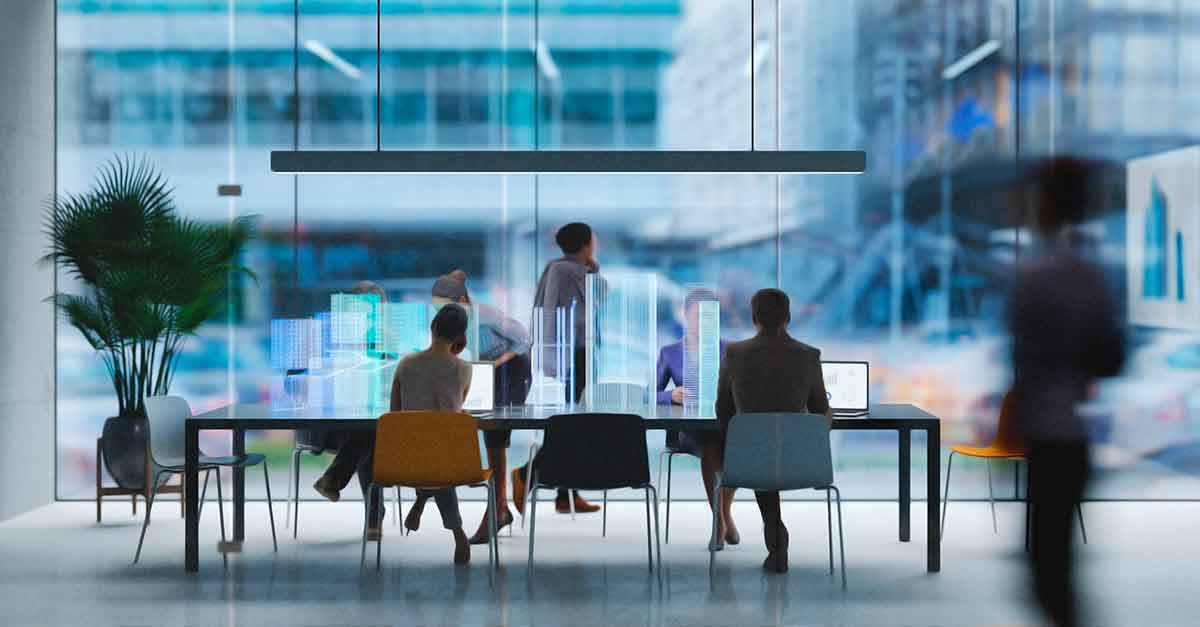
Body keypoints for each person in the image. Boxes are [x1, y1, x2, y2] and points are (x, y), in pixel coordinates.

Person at [1008, 157, 1125, 627]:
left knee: (1049, 578)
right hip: (1069, 434)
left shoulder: (1040, 275)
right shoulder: (1089, 274)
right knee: (1055, 573)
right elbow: (1111, 357)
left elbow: (1024, 361)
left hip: (1048, 435)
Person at [714, 288, 831, 573]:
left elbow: (723, 411)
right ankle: (776, 536)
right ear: (788, 318)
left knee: (760, 448)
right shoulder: (809, 355)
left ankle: (775, 535)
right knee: (773, 445)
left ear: (754, 318)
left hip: (748, 461)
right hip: (800, 461)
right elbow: (819, 411)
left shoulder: (734, 354)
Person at [428, 269, 531, 544]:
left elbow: (523, 339)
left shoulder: (485, 315)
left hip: (511, 371)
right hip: (486, 373)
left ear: (462, 299)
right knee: (489, 438)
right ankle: (499, 509)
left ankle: (496, 511)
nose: (441, 314)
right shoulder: (458, 320)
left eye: (445, 307)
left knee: (495, 438)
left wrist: (495, 364)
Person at [512, 222, 602, 516]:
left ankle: (567, 494)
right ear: (586, 242)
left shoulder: (577, 269)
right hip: (571, 356)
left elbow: (597, 298)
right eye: (593, 239)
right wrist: (549, 357)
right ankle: (526, 474)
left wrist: (593, 268)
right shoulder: (563, 270)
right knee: (569, 426)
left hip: (580, 353)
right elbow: (550, 311)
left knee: (575, 425)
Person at [656, 288, 739, 548]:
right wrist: (672, 396)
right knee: (713, 444)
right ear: (685, 314)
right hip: (689, 430)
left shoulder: (732, 350)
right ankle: (720, 519)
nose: (703, 322)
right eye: (697, 315)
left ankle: (723, 516)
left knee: (728, 443)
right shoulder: (670, 352)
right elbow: (651, 395)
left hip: (726, 424)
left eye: (709, 316)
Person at [309, 281, 393, 533]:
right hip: (334, 426)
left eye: (373, 310)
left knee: (370, 432)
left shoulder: (389, 341)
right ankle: (373, 516)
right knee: (369, 434)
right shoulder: (333, 341)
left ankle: (336, 480)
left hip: (373, 426)